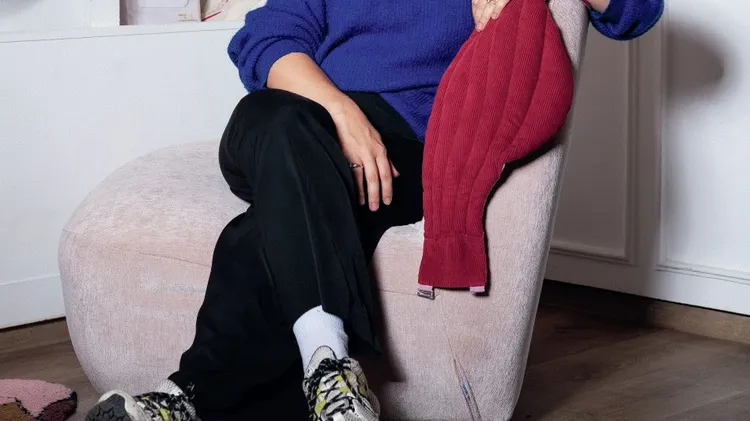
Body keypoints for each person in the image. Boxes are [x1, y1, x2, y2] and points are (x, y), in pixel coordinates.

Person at [83, 0, 629, 420]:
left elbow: (634, 11)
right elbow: (266, 39)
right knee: (277, 118)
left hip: (402, 151)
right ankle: (332, 376)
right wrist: (342, 113)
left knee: (262, 232)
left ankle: (193, 395)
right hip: (294, 125)